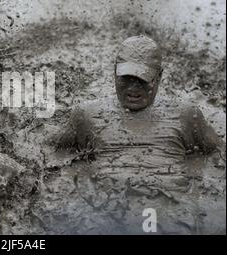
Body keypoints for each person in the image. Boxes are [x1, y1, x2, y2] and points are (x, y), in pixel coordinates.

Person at [52, 35, 225, 233]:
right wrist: (77, 176)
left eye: (142, 80)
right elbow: (49, 153)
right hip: (108, 210)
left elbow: (218, 155)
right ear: (114, 73)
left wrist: (194, 175)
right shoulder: (86, 114)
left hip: (170, 209)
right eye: (126, 79)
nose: (133, 88)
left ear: (159, 76)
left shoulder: (186, 115)